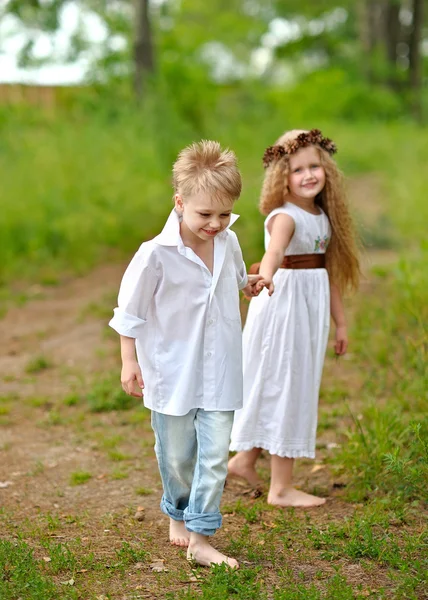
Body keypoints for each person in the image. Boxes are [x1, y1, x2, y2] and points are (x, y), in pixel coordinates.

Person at [109, 140, 263, 568]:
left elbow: (231, 281)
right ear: (180, 203)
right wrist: (129, 360)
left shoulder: (228, 242)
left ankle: (200, 537)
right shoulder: (154, 256)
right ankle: (176, 509)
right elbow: (130, 313)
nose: (216, 224)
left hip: (220, 368)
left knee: (214, 457)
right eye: (205, 214)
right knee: (177, 455)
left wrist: (249, 283)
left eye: (224, 214)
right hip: (171, 370)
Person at [228, 129, 360, 507]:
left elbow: (328, 273)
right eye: (297, 169)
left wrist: (342, 322)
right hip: (284, 307)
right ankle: (281, 488)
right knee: (287, 384)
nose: (308, 175)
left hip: (308, 308)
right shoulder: (286, 217)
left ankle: (243, 461)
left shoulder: (321, 216)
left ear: (326, 169)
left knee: (287, 379)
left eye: (313, 166)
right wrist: (265, 276)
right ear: (281, 177)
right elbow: (274, 253)